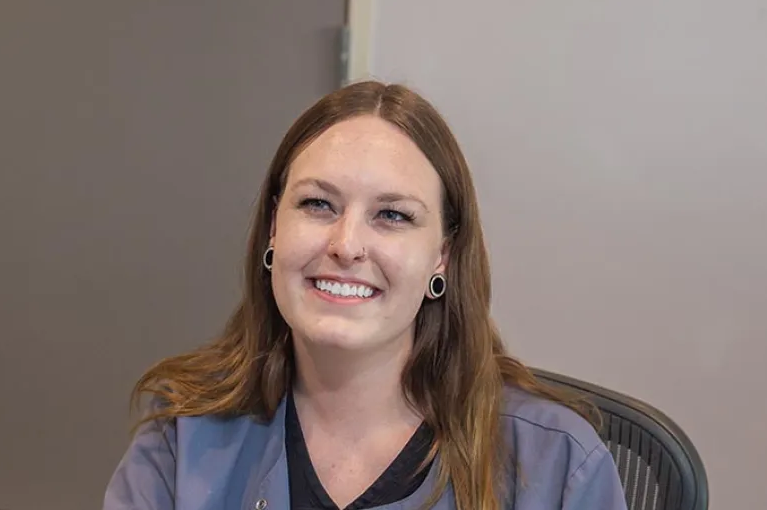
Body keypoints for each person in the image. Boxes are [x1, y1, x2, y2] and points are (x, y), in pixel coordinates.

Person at [102, 81, 627, 510]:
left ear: (441, 257)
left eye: (392, 215)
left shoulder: (558, 464)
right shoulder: (184, 433)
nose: (346, 245)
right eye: (317, 204)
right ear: (271, 231)